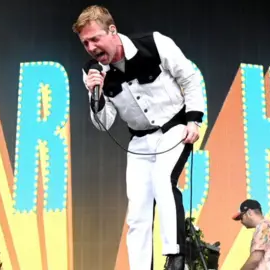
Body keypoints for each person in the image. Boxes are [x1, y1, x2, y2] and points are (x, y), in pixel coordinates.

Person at [72, 5, 206, 270]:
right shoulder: (93, 71)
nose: (90, 47)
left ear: (112, 31)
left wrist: (194, 119)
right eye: (85, 42)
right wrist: (94, 93)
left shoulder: (154, 44)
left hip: (174, 127)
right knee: (137, 211)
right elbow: (104, 123)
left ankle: (175, 256)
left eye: (95, 38)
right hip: (140, 142)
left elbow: (188, 78)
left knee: (162, 180)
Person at [232, 199, 270, 270]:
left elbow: (255, 258)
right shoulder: (267, 226)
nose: (241, 222)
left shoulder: (263, 227)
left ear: (249, 213)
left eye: (242, 217)